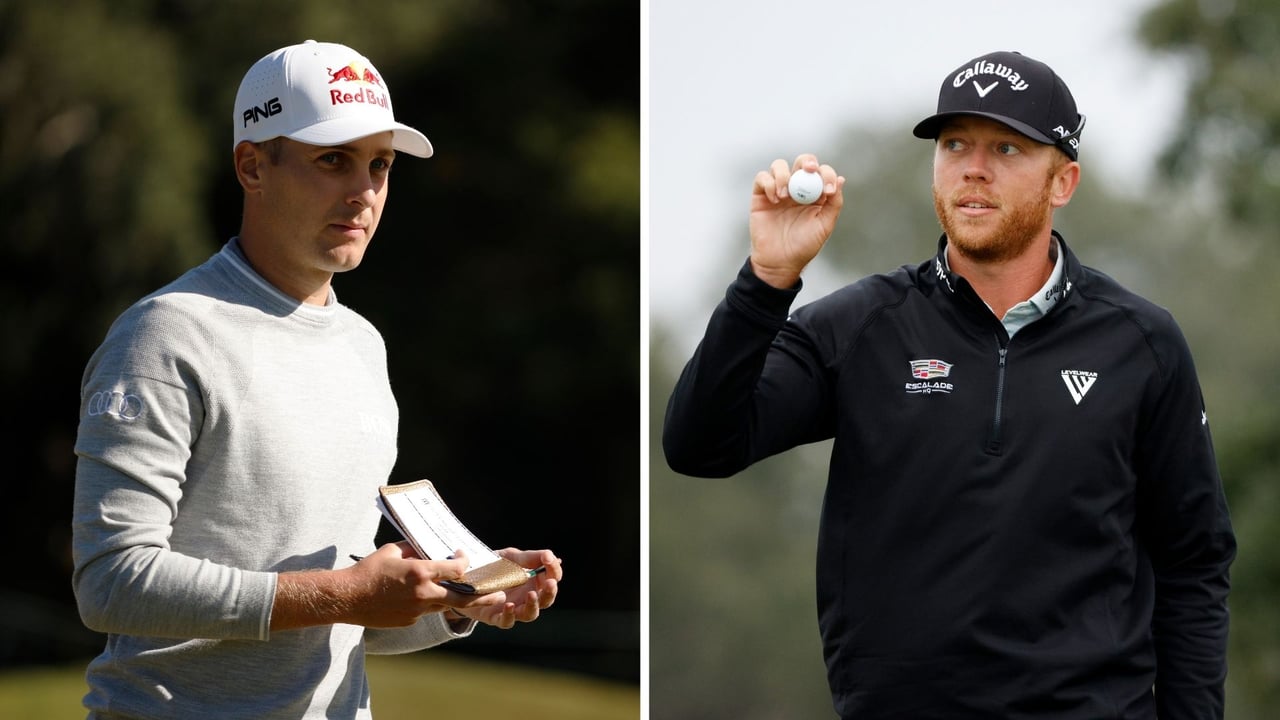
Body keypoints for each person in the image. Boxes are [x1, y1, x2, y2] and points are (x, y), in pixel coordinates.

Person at [663, 50, 1235, 719]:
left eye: (1007, 148)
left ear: (1063, 181)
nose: (973, 167)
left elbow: (1194, 564)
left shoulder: (1141, 343)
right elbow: (700, 446)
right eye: (955, 143)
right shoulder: (860, 327)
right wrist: (766, 280)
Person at [72, 40, 563, 719]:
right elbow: (111, 582)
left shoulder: (363, 345)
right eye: (332, 160)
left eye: (380, 165)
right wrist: (345, 594)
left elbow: (342, 617)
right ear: (252, 166)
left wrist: (454, 601)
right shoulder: (164, 334)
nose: (363, 192)